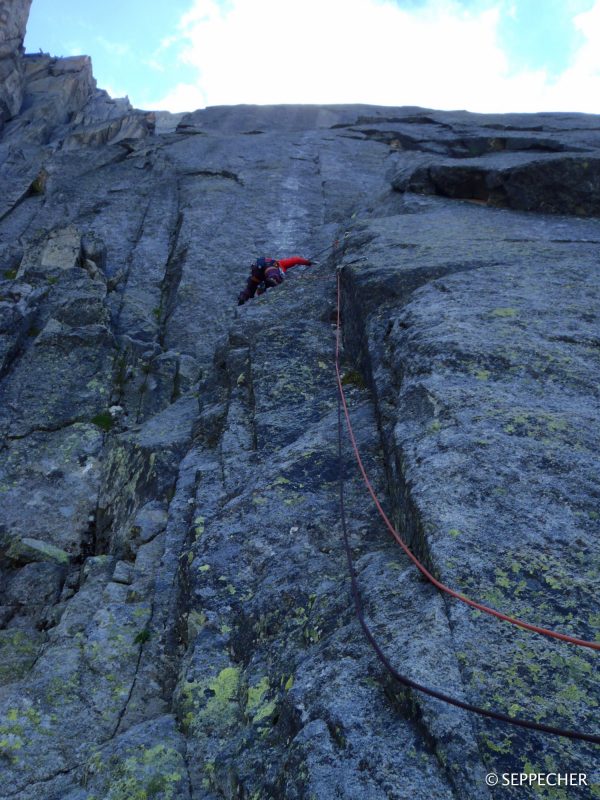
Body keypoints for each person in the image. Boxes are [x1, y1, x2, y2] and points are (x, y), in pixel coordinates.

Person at [237, 255, 312, 305]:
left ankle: (243, 296)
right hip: (269, 268)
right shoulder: (280, 263)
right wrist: (309, 263)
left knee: (251, 287)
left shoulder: (275, 263)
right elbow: (297, 259)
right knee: (273, 275)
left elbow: (296, 260)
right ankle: (271, 280)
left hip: (256, 272)